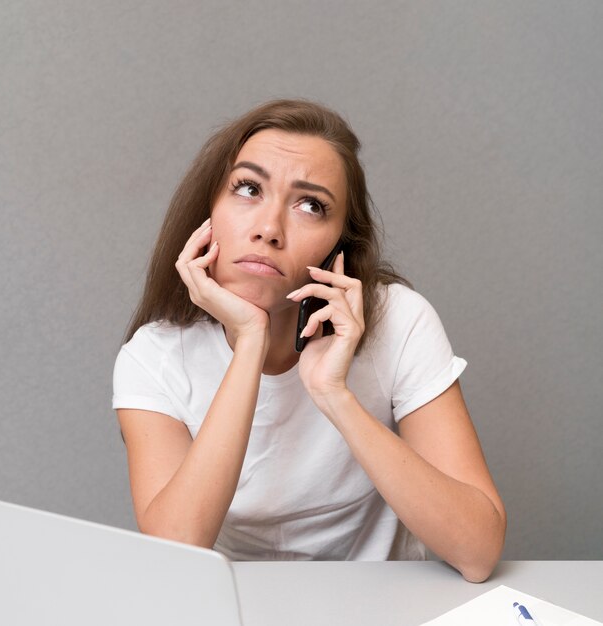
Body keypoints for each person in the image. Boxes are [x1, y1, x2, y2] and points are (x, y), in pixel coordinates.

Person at [112, 98, 506, 582]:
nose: (268, 229)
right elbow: (176, 547)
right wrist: (250, 340)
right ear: (207, 212)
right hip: (238, 609)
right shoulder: (154, 357)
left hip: (381, 608)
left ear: (340, 243)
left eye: (310, 205)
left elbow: (479, 551)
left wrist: (333, 395)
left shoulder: (400, 321)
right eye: (249, 189)